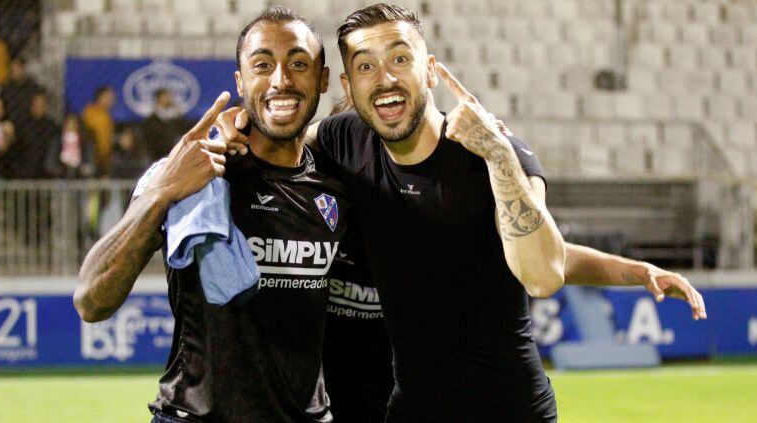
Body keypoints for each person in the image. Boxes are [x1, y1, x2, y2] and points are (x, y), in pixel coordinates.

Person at [216, 4, 707, 422]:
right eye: (365, 67)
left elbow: (541, 272)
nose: (383, 77)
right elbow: (281, 133)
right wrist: (236, 123)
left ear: (429, 69)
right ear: (346, 83)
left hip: (509, 408)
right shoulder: (347, 141)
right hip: (411, 409)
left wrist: (499, 157)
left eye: (399, 59)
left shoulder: (496, 154)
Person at [75, 7, 350, 422]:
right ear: (241, 82)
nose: (281, 80)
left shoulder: (339, 183)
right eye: (262, 65)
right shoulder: (191, 173)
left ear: (323, 79)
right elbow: (91, 302)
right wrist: (162, 191)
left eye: (298, 64)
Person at [4, 90, 59, 179]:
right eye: (36, 105)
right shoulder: (21, 125)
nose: (39, 108)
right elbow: (15, 150)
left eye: (42, 105)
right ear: (31, 106)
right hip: (23, 175)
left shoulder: (52, 127)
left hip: (45, 177)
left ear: (46, 107)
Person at [141, 88, 187, 162]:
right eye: (165, 97)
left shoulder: (175, 118)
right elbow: (148, 140)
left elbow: (183, 133)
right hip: (156, 157)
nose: (168, 99)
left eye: (169, 97)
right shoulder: (151, 121)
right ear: (159, 99)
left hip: (174, 156)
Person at [45, 114, 95, 179]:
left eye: (73, 125)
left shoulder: (85, 142)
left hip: (80, 178)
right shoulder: (57, 142)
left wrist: (85, 169)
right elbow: (50, 162)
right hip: (60, 178)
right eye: (68, 124)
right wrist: (58, 170)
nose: (70, 127)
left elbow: (90, 162)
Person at [81, 85, 116, 175]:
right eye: (108, 97)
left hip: (104, 160)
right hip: (91, 159)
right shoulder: (90, 113)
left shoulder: (107, 116)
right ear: (100, 97)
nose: (111, 100)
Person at [0, 56, 42, 129]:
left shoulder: (33, 87)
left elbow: (38, 108)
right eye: (12, 70)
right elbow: (1, 109)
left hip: (31, 125)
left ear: (23, 68)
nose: (13, 72)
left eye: (16, 69)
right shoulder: (6, 88)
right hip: (10, 126)